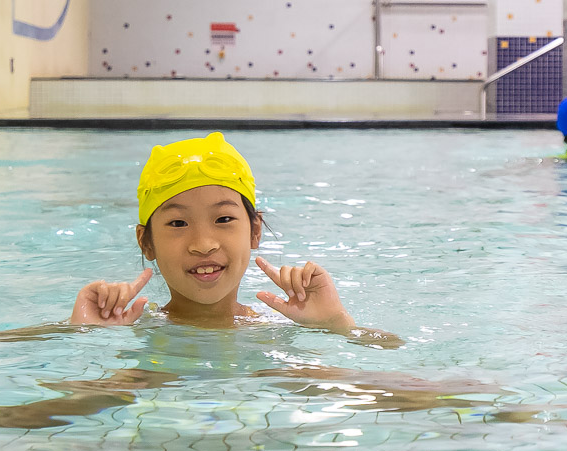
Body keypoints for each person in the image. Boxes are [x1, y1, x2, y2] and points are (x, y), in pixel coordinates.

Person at [70, 132, 399, 346]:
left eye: (224, 219)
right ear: (147, 243)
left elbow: (381, 388)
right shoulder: (134, 329)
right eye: (178, 222)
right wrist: (83, 334)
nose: (203, 243)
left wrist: (337, 324)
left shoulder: (271, 334)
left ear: (255, 231)